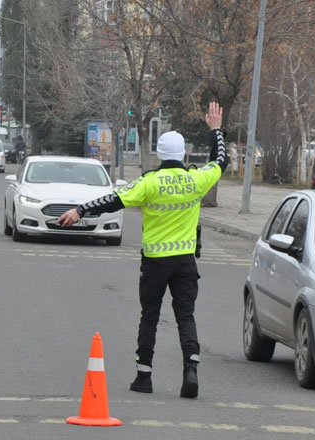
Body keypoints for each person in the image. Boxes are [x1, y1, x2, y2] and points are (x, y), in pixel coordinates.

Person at [57, 102, 230, 399]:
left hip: (155, 263)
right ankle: (191, 371)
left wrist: (79, 210)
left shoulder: (150, 183)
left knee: (149, 316)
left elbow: (113, 200)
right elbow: (220, 161)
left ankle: (144, 377)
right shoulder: (196, 180)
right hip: (185, 261)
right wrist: (215, 130)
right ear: (184, 154)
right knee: (185, 316)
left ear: (161, 155)